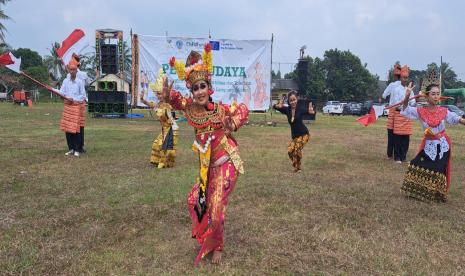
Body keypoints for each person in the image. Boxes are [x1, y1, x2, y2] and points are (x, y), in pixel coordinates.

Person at [167, 43, 249, 266]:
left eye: (203, 86)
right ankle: (208, 236)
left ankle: (217, 245)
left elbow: (242, 109)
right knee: (194, 200)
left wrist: (232, 123)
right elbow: (175, 100)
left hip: (227, 162)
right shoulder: (191, 110)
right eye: (195, 88)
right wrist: (166, 93)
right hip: (207, 169)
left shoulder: (221, 109)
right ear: (191, 92)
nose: (200, 91)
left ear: (209, 88)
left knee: (215, 205)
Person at [400, 81, 465, 202]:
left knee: (439, 169)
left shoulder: (443, 111)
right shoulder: (421, 111)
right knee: (416, 164)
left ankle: (438, 195)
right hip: (429, 144)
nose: (436, 96)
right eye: (433, 94)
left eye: (437, 94)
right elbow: (405, 109)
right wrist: (407, 95)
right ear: (427, 96)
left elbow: (456, 118)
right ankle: (419, 191)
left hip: (443, 146)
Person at [139, 69, 178, 168]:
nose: (160, 96)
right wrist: (143, 99)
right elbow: (151, 105)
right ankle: (155, 162)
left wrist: (173, 129)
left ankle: (164, 163)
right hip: (163, 130)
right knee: (156, 144)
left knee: (163, 146)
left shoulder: (168, 105)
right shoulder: (158, 105)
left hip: (170, 130)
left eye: (161, 94)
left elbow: (172, 119)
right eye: (158, 94)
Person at [273, 91, 315, 172]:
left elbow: (310, 112)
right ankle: (297, 166)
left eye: (294, 99)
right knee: (290, 151)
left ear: (297, 99)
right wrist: (277, 105)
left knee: (296, 149)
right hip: (295, 136)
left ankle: (298, 168)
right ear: (289, 101)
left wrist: (312, 111)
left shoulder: (300, 109)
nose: (293, 102)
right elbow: (275, 107)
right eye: (291, 100)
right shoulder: (287, 110)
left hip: (304, 134)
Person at [382, 65, 415, 163]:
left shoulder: (410, 89)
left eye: (406, 78)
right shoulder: (395, 88)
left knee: (406, 138)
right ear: (400, 77)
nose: (405, 79)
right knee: (397, 137)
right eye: (404, 77)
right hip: (398, 114)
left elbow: (412, 103)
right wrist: (405, 100)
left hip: (407, 115)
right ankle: (397, 157)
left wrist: (412, 100)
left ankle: (403, 156)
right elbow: (396, 103)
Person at [59, 60, 86, 156]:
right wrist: (61, 95)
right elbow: (62, 92)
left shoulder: (79, 82)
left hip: (77, 107)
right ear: (68, 70)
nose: (72, 71)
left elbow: (83, 96)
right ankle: (71, 148)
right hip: (68, 107)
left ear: (76, 70)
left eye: (74, 69)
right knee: (68, 129)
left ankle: (77, 149)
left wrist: (73, 99)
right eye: (70, 69)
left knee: (76, 129)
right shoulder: (65, 81)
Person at [66, 53, 90, 153]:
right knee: (79, 125)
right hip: (79, 103)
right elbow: (88, 83)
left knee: (70, 124)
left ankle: (73, 147)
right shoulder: (84, 74)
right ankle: (79, 147)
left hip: (73, 102)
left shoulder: (68, 75)